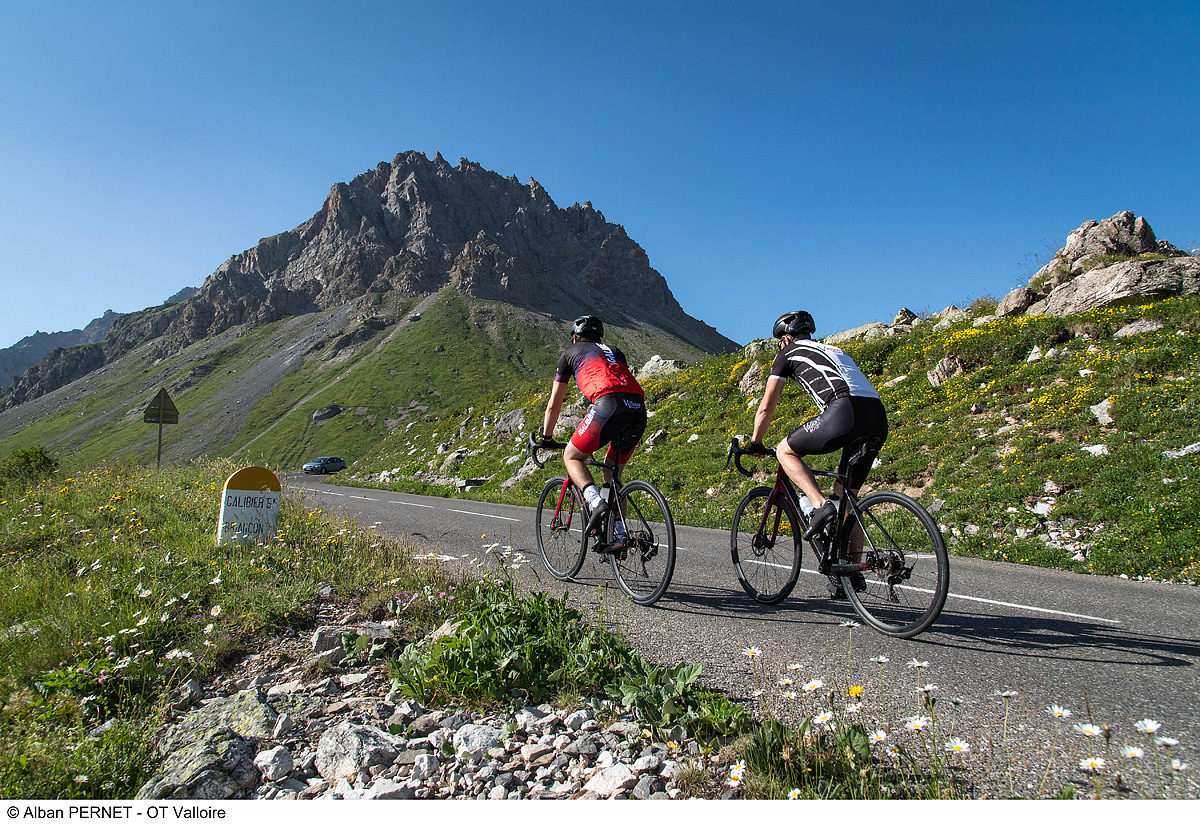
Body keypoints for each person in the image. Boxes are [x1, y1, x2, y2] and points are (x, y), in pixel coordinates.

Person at [747, 310, 889, 592]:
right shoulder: (832, 348)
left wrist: (755, 442)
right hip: (876, 416)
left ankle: (820, 506)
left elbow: (767, 405)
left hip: (843, 410)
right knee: (846, 497)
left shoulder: (788, 352)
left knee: (785, 452)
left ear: (785, 338)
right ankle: (850, 571)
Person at [538, 315, 647, 541]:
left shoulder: (570, 353)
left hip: (608, 406)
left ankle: (595, 502)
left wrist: (547, 437)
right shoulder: (616, 351)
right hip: (637, 409)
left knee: (572, 456)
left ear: (575, 338)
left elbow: (554, 404)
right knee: (612, 473)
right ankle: (618, 536)